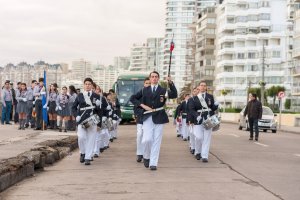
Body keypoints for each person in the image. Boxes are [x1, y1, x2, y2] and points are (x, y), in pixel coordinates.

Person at [130, 71, 177, 170]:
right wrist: (142, 105)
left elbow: (174, 95)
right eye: (152, 77)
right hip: (147, 116)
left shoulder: (163, 90)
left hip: (159, 116)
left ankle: (153, 163)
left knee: (156, 140)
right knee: (147, 139)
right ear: (150, 78)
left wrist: (171, 83)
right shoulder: (144, 90)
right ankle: (146, 156)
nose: (154, 78)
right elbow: (133, 98)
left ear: (158, 78)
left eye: (156, 77)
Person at [72, 78, 104, 165]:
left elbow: (100, 111)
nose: (87, 85)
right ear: (84, 85)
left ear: (92, 85)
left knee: (91, 139)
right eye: (86, 84)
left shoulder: (96, 96)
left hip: (92, 119)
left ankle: (88, 157)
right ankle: (83, 152)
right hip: (82, 119)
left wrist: (99, 124)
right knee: (81, 137)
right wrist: (76, 115)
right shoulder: (80, 95)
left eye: (89, 84)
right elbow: (73, 107)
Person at [188, 81, 219, 163]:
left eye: (204, 86)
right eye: (201, 85)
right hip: (198, 119)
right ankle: (198, 151)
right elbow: (191, 109)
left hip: (209, 118)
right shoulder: (194, 98)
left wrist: (216, 105)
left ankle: (204, 156)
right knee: (198, 137)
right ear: (198, 87)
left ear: (206, 87)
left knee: (207, 138)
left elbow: (212, 108)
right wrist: (196, 116)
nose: (203, 87)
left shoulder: (210, 96)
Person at [130, 77, 151, 163]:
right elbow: (133, 99)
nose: (148, 85)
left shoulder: (154, 93)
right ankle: (139, 153)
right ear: (144, 84)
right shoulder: (141, 92)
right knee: (140, 134)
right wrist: (140, 106)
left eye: (149, 83)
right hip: (141, 117)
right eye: (146, 83)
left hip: (150, 117)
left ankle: (147, 154)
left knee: (148, 137)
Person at [187, 87, 199, 155]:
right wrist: (190, 120)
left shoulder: (201, 99)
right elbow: (189, 111)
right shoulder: (191, 99)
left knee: (197, 135)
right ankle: (193, 147)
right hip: (192, 119)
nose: (196, 92)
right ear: (192, 92)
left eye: (197, 90)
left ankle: (197, 148)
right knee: (192, 134)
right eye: (194, 91)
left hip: (199, 119)